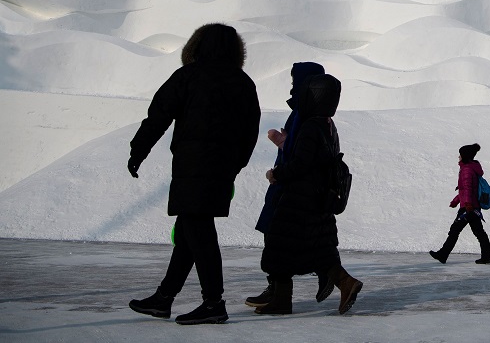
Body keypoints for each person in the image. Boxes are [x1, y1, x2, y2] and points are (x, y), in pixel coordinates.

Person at [127, 23, 261, 325]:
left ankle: (213, 303)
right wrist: (234, 165)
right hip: (221, 169)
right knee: (191, 231)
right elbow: (250, 131)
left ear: (196, 46)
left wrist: (139, 150)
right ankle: (164, 298)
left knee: (199, 231)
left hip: (192, 166)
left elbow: (158, 115)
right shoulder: (243, 83)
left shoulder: (187, 76)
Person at [251, 72, 363, 315]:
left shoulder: (310, 126)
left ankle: (282, 300)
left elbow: (301, 164)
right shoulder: (328, 126)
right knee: (319, 248)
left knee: (278, 247)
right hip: (318, 198)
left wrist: (277, 174)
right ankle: (344, 283)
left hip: (298, 199)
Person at [429, 143, 490, 265]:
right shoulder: (469, 168)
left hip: (468, 207)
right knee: (479, 232)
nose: (458, 157)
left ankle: (443, 254)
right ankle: (487, 256)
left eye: (460, 155)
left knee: (455, 230)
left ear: (465, 156)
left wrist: (467, 204)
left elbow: (468, 188)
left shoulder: (467, 170)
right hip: (471, 206)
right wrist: (455, 201)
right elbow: (465, 190)